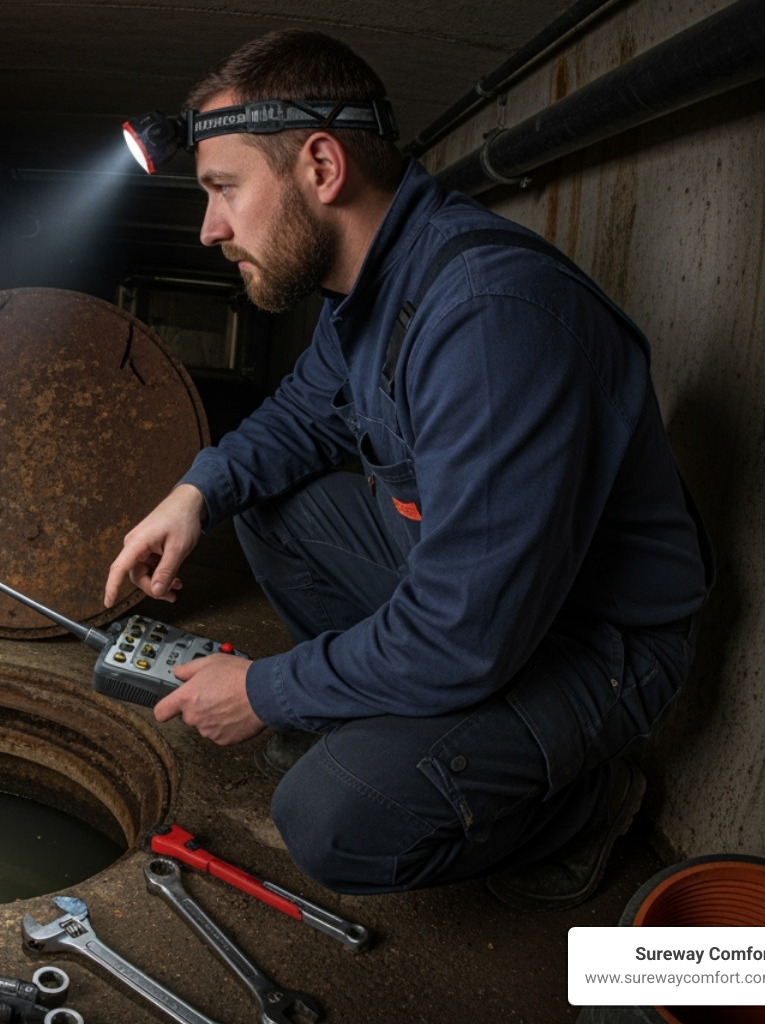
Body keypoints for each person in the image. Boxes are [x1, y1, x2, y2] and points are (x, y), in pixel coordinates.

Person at [103, 29, 712, 909]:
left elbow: (468, 632)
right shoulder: (376, 287)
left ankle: (584, 808)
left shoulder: (488, 321)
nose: (209, 229)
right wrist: (196, 492)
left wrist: (269, 691)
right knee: (264, 500)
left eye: (224, 189)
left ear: (320, 166)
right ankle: (375, 712)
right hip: (502, 598)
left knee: (332, 819)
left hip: (592, 646)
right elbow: (307, 411)